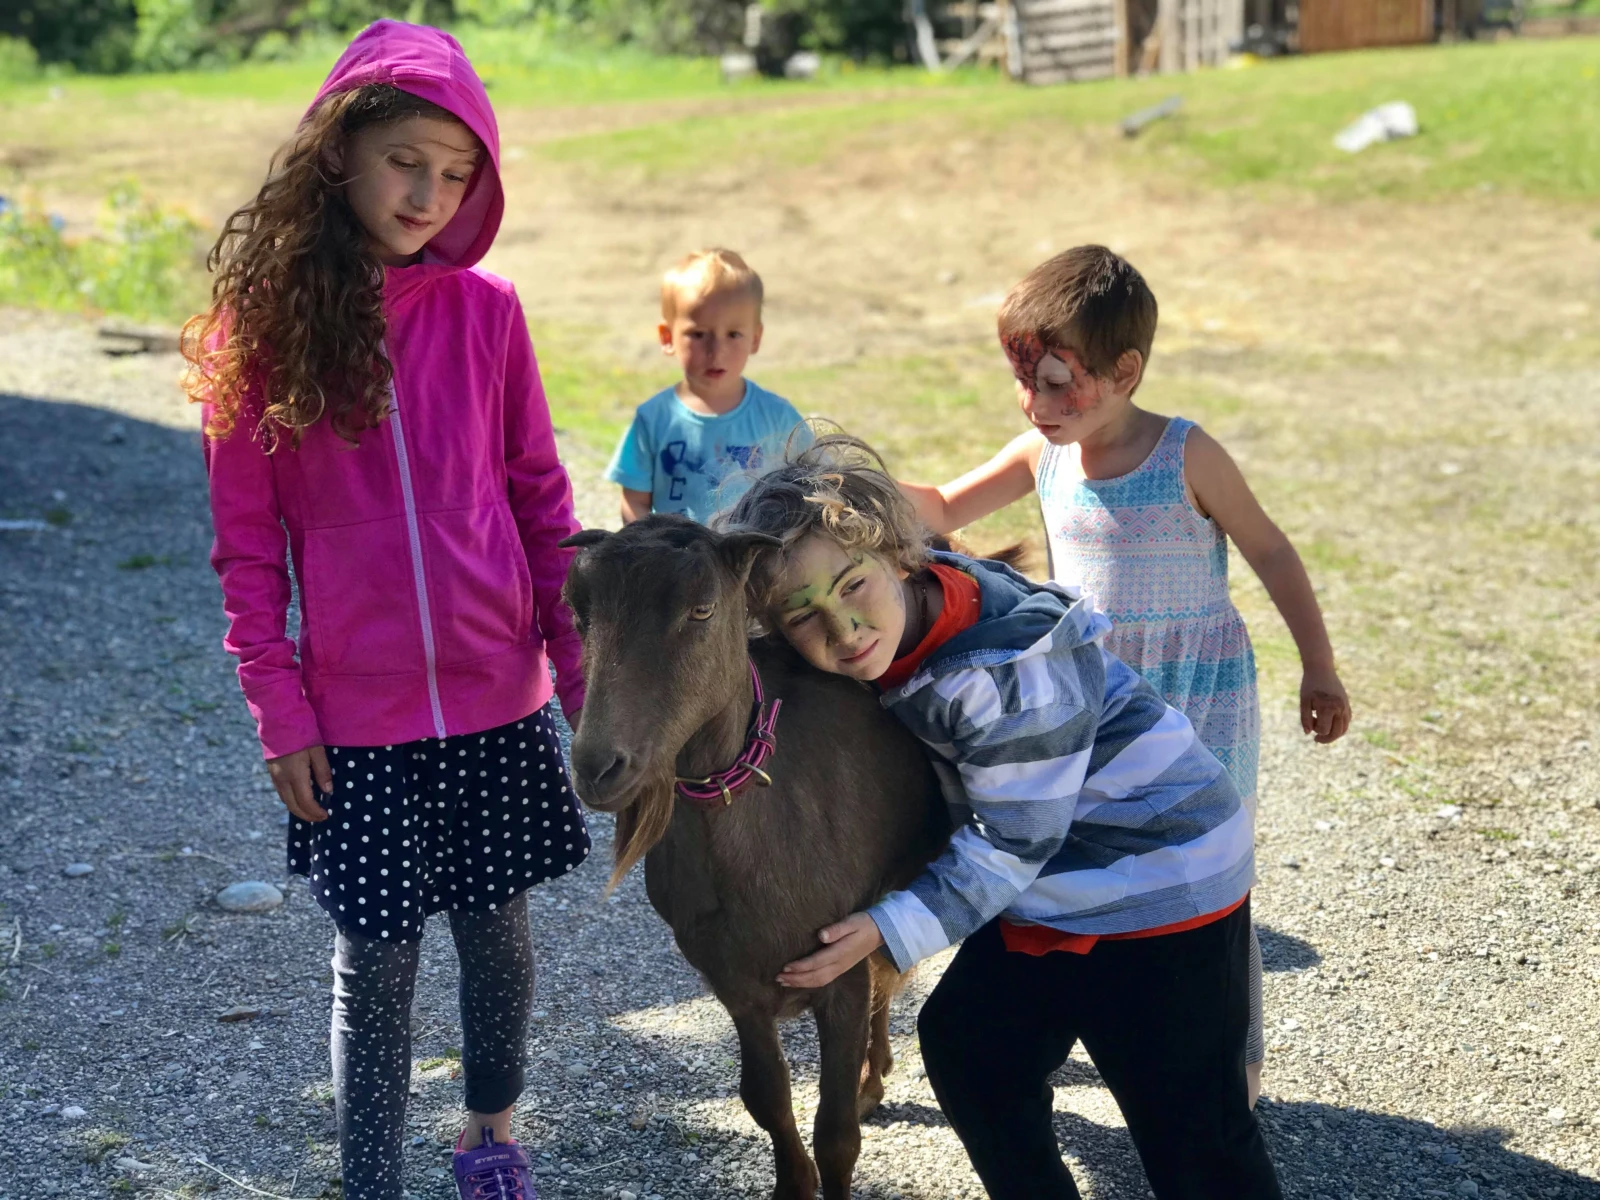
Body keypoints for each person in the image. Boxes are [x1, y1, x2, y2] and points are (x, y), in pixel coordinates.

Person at [184, 21, 587, 1200]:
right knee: (376, 963)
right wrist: (279, 712)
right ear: (339, 151)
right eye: (409, 159)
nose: (430, 192)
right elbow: (247, 552)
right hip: (353, 723)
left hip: (496, 695)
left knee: (498, 945)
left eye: (457, 173)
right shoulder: (250, 345)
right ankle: (370, 1181)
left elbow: (538, 501)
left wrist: (574, 660)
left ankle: (488, 1136)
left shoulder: (488, 313)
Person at [719, 435, 1283, 1200]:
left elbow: (1015, 839)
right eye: (804, 617)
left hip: (1160, 888)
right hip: (1063, 881)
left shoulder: (997, 677)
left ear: (900, 555)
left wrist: (889, 926)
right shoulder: (919, 616)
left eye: (852, 587)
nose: (844, 631)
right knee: (972, 1050)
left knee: (1191, 1134)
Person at [898, 245, 1353, 1103]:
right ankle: (1075, 1021)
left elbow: (1271, 550)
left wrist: (1318, 668)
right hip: (1093, 709)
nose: (1037, 403)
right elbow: (948, 506)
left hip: (1199, 697)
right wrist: (853, 487)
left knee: (1204, 872)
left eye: (1058, 380)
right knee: (1077, 855)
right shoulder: (1045, 456)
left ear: (1126, 369)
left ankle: (1228, 1062)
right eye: (1022, 380)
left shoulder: (1187, 455)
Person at [605, 248, 808, 525]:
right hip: (678, 561)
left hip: (754, 563)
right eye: (698, 334)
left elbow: (815, 486)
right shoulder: (654, 418)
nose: (717, 351)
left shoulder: (779, 419)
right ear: (667, 337)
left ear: (755, 338)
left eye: (733, 334)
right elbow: (635, 501)